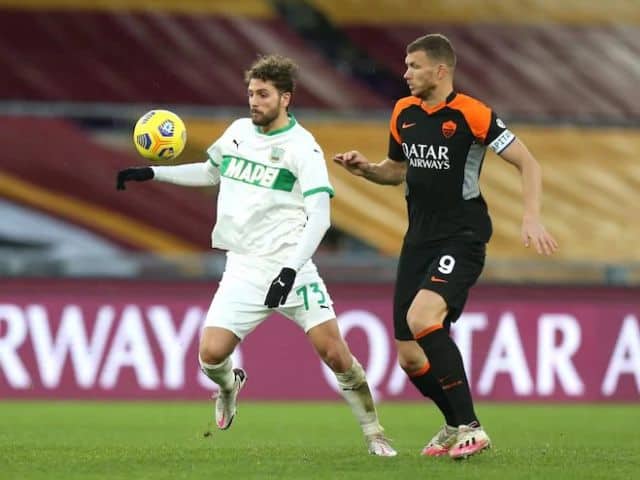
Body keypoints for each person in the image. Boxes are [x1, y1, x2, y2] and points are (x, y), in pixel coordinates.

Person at [116, 54, 396, 457]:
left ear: (286, 98)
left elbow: (319, 216)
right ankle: (230, 386)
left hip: (291, 266)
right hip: (243, 267)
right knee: (211, 356)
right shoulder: (237, 132)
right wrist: (154, 173)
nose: (254, 101)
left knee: (336, 354)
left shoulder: (303, 148)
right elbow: (212, 172)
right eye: (250, 93)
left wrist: (289, 269)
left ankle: (374, 433)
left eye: (263, 94)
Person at [334, 34, 558, 460]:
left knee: (423, 316)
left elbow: (528, 162)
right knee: (409, 358)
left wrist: (530, 216)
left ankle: (472, 428)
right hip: (418, 239)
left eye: (413, 66)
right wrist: (366, 171)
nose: (405, 74)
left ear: (440, 70)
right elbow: (396, 171)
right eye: (405, 65)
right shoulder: (403, 112)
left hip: (463, 235)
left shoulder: (473, 113)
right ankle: (454, 424)